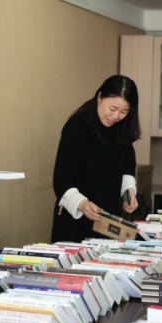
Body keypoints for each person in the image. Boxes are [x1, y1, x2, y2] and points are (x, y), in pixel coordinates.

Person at [52, 75, 140, 242]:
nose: (116, 116)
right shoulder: (76, 127)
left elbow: (127, 167)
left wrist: (128, 192)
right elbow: (61, 180)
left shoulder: (121, 128)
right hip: (75, 223)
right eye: (112, 108)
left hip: (108, 222)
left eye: (124, 112)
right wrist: (82, 204)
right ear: (100, 97)